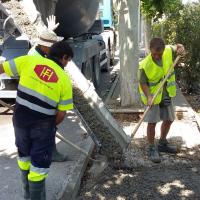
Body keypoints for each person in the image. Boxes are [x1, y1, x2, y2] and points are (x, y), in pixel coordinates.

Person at [0, 41, 73, 199]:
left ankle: (27, 195)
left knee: (24, 156)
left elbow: (2, 68)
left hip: (20, 121)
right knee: (39, 165)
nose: (67, 64)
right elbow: (62, 112)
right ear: (64, 57)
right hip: (43, 126)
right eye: (68, 61)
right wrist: (51, 126)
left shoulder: (29, 60)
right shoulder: (64, 79)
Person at [138, 37, 185, 163]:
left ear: (164, 50)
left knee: (169, 119)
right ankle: (151, 148)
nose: (157, 56)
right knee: (152, 122)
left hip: (166, 93)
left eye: (159, 54)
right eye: (154, 54)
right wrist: (149, 96)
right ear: (150, 50)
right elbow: (143, 83)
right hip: (152, 96)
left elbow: (177, 46)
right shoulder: (144, 65)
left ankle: (162, 143)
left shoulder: (168, 50)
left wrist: (181, 48)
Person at [28, 29, 68, 162]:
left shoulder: (41, 54)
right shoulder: (35, 57)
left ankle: (46, 150)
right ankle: (49, 152)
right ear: (44, 46)